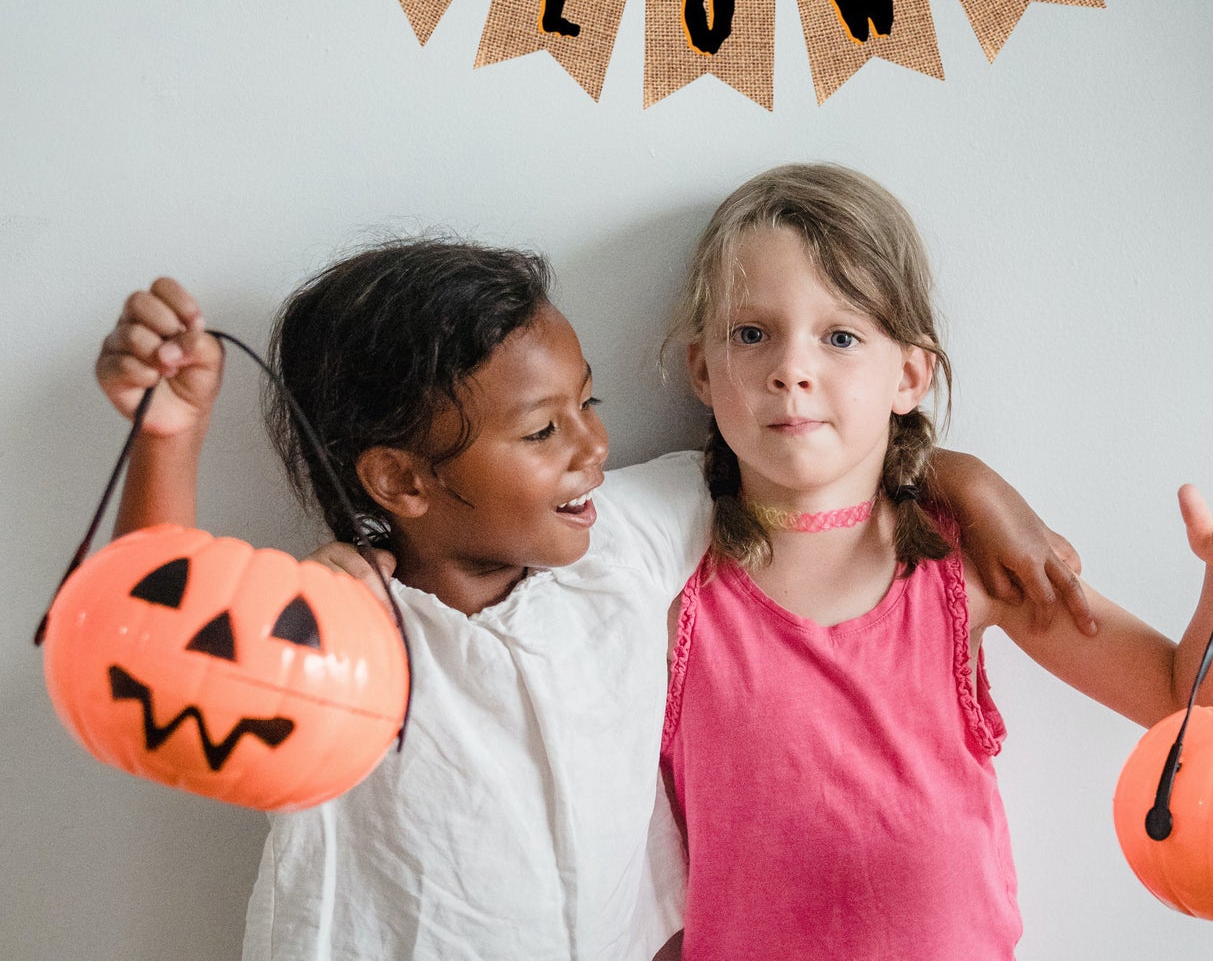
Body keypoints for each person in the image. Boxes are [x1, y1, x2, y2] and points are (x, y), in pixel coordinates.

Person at [94, 237, 1093, 961]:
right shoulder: (344, 636)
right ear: (401, 481)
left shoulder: (621, 544)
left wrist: (961, 478)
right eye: (541, 431)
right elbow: (161, 669)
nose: (592, 448)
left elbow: (799, 464)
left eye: (591, 404)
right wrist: (167, 438)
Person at [658, 164, 1213, 960]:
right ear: (699, 367)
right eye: (750, 333)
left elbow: (1187, 705)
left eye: (840, 335)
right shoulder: (665, 583)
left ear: (910, 374)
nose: (791, 367)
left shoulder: (966, 565)